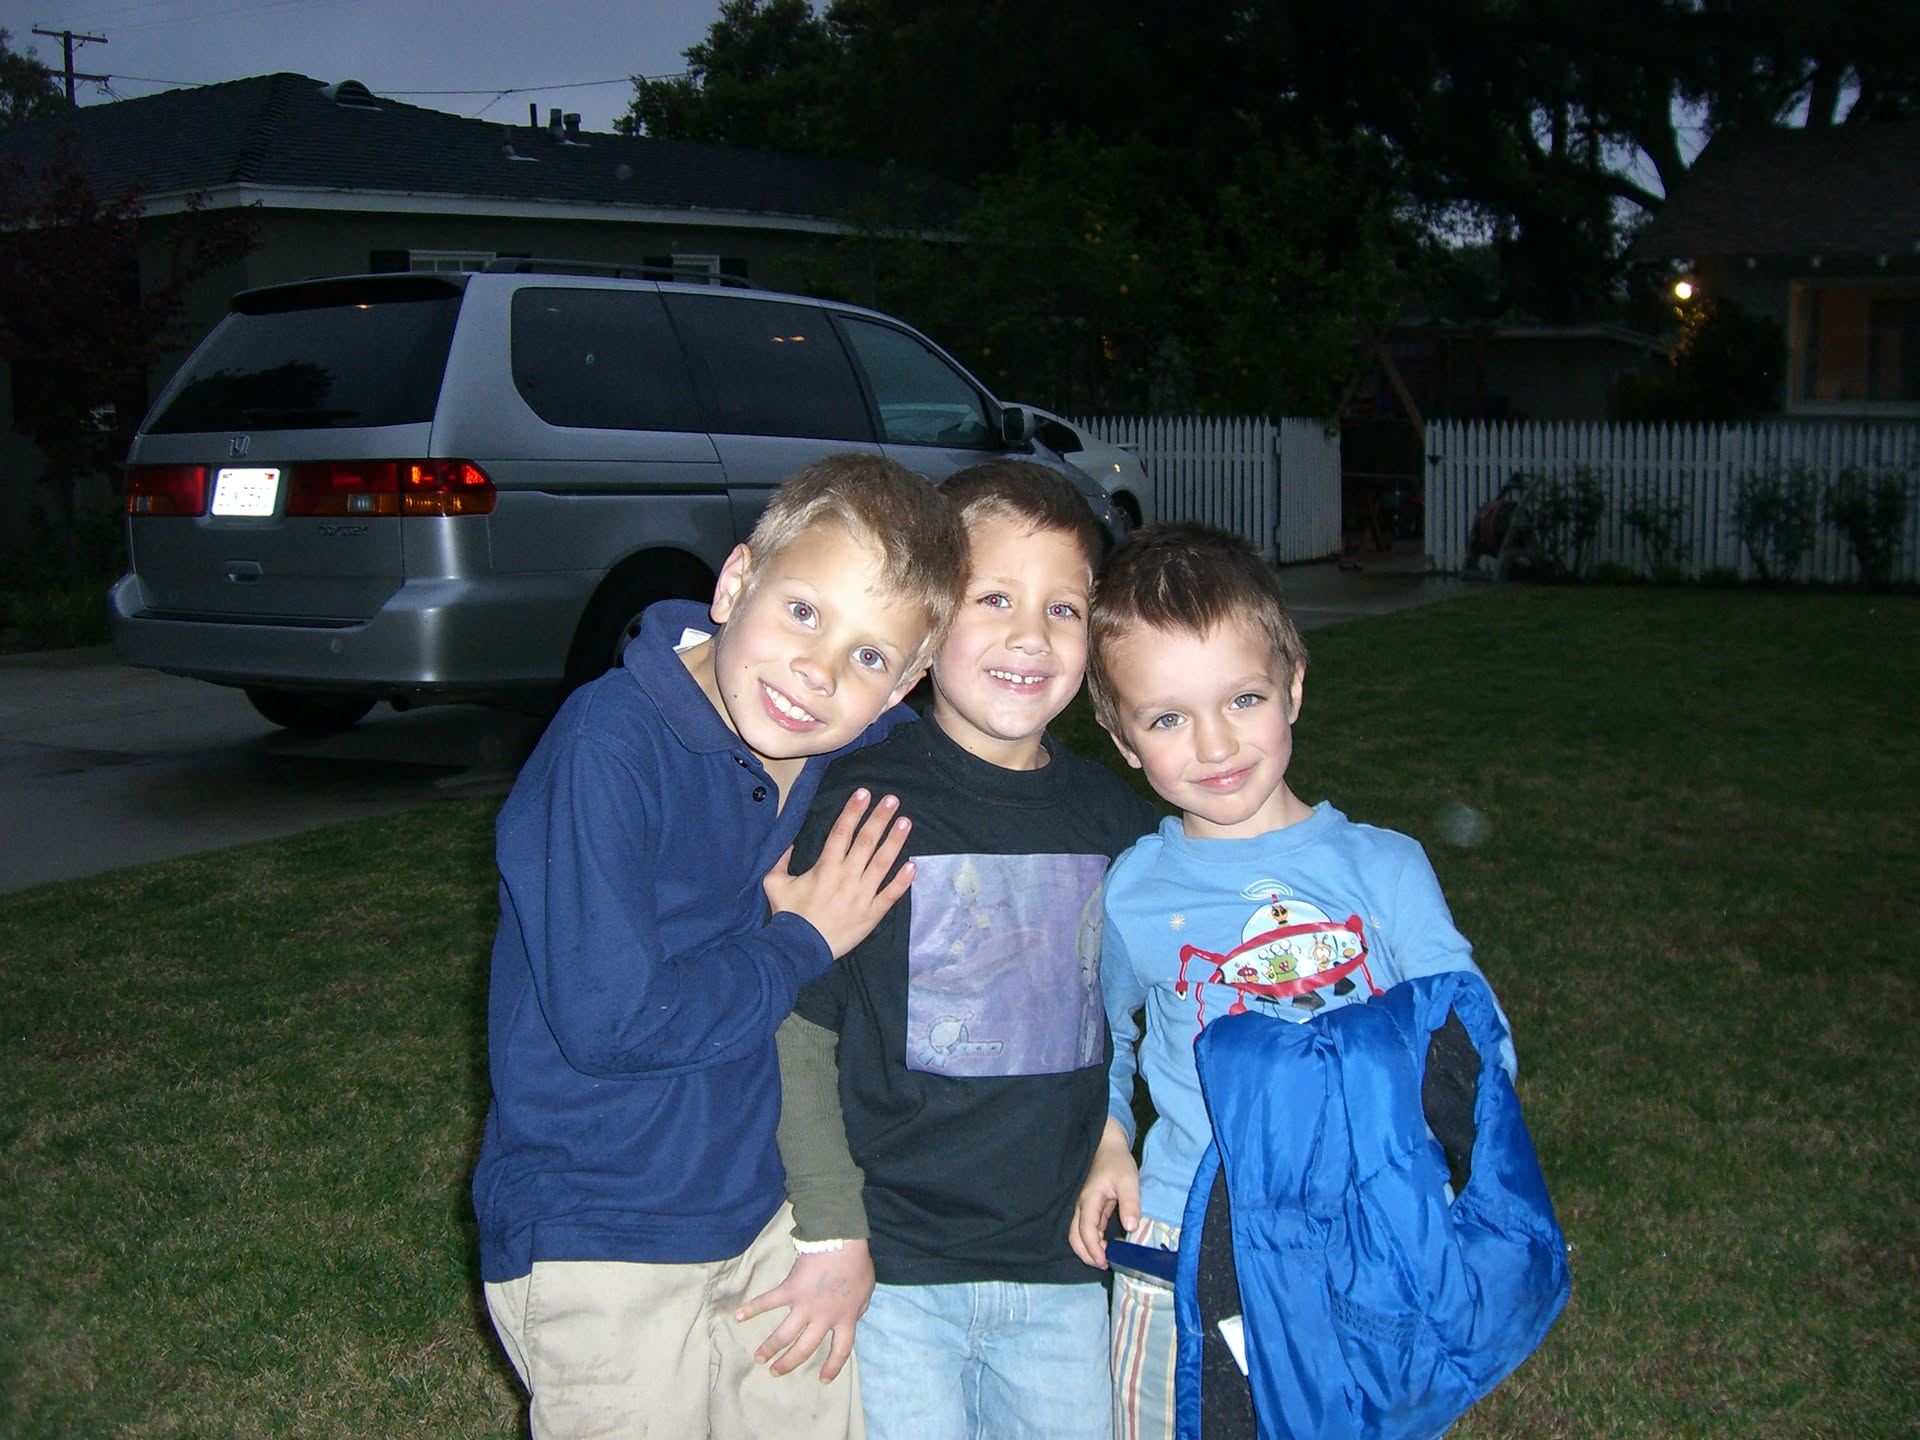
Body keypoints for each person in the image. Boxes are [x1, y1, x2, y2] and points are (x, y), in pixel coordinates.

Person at [471, 453, 970, 1440]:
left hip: (758, 1216)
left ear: (904, 685)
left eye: (871, 658)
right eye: (804, 612)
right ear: (737, 581)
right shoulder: (609, 748)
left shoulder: (832, 745)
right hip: (598, 1229)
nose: (819, 672)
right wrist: (801, 942)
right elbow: (613, 1023)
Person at [1066, 524, 1516, 1440]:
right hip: (1187, 1231)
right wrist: (1110, 1136)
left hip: (1360, 1235)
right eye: (1167, 719)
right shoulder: (1134, 891)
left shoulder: (1384, 870)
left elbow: (1475, 1038)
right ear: (1122, 740)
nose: (1215, 743)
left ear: (1295, 685)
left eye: (1244, 698)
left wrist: (1436, 1164)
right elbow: (1100, 1035)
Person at [747, 461, 1160, 1440]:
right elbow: (800, 1034)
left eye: (1064, 608)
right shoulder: (857, 803)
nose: (1031, 635)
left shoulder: (1121, 824)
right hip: (894, 1271)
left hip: (1063, 1265)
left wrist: (1114, 1130)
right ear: (929, 627)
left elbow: (1131, 1011)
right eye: (996, 598)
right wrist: (833, 1231)